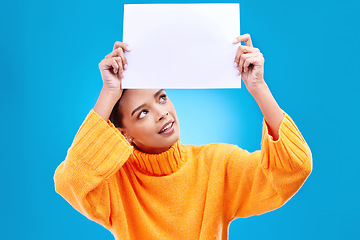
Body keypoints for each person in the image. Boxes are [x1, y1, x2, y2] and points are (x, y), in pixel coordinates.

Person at [54, 34, 312, 239]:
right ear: (124, 134)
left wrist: (258, 87)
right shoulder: (118, 184)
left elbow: (292, 170)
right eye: (142, 113)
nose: (162, 113)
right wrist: (108, 93)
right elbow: (71, 180)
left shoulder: (216, 165)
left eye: (162, 98)